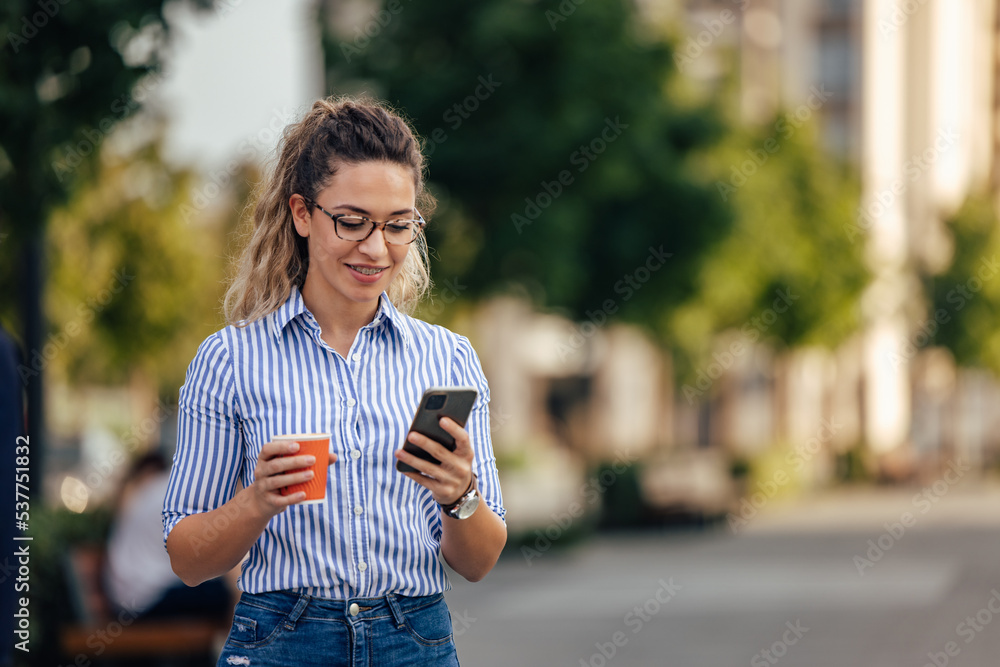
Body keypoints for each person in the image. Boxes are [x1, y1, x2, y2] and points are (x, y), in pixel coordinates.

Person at [162, 96, 507, 666]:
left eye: (398, 226)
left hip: (414, 640)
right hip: (281, 639)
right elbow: (187, 559)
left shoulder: (449, 358)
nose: (376, 248)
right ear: (302, 213)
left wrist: (458, 495)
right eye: (352, 222)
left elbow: (478, 561)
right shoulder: (229, 360)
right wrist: (255, 503)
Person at [105, 452, 232, 621]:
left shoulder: (157, 489)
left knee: (220, 588)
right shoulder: (178, 496)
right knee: (226, 591)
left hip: (130, 594)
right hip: (145, 599)